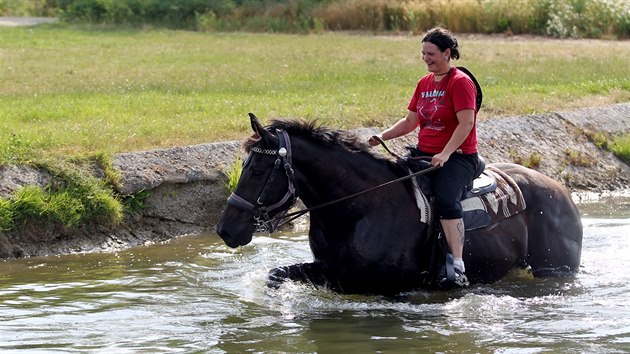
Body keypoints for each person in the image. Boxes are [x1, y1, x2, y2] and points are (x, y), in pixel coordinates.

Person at [368, 27, 479, 288]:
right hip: (425, 155)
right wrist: (382, 137)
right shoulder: (424, 83)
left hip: (459, 157)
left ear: (447, 53)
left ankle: (458, 264)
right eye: (423, 54)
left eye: (431, 53)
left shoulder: (461, 82)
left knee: (445, 200)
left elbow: (466, 123)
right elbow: (410, 122)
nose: (426, 58)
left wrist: (446, 153)